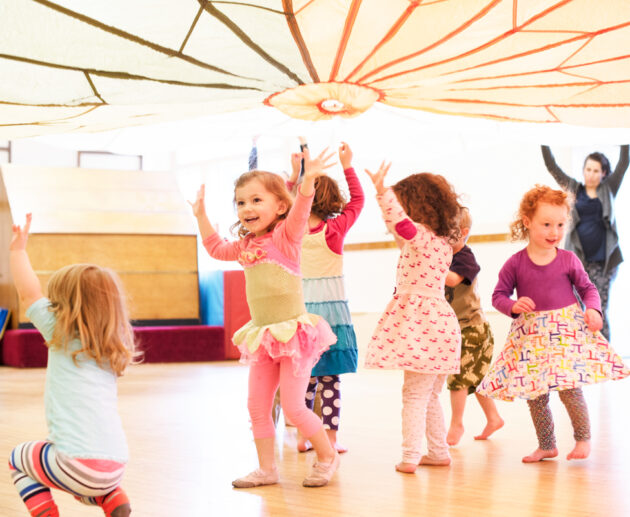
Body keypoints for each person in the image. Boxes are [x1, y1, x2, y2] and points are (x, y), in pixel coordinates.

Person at [190, 148, 341, 488]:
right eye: (241, 203)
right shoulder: (244, 246)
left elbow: (302, 210)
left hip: (295, 336)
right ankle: (266, 470)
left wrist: (307, 181)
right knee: (257, 407)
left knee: (293, 406)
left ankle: (327, 456)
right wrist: (200, 214)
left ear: (280, 206)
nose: (247, 209)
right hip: (264, 337)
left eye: (256, 200)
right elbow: (215, 248)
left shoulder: (287, 238)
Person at [477, 185, 630, 463]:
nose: (554, 232)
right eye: (546, 224)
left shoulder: (568, 259)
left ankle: (583, 439)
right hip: (532, 336)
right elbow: (498, 296)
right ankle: (547, 445)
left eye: (560, 225)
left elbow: (588, 289)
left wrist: (593, 309)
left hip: (565, 333)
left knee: (570, 389)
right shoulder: (515, 263)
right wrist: (512, 306)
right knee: (536, 395)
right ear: (527, 222)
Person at [8, 214, 135, 517]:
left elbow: (28, 293)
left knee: (17, 460)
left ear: (63, 307)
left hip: (76, 465)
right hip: (115, 467)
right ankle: (112, 499)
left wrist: (17, 250)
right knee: (82, 483)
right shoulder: (112, 345)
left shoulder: (60, 331)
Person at [363, 163, 462, 474]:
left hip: (425, 324)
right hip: (441, 324)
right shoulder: (442, 244)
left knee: (415, 395)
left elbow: (402, 225)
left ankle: (410, 456)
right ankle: (438, 451)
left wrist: (382, 193)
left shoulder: (420, 236)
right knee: (430, 395)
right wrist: (386, 203)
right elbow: (399, 230)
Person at [295, 141, 364, 454]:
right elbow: (358, 201)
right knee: (329, 379)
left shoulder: (290, 230)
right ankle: (331, 438)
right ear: (332, 200)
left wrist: (301, 173)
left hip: (300, 312)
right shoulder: (334, 229)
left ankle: (302, 437)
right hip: (332, 315)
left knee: (304, 378)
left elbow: (285, 201)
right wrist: (347, 166)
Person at [541, 144, 629, 340]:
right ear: (583, 170)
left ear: (604, 173)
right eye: (588, 169)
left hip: (603, 264)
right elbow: (552, 167)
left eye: (596, 170)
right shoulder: (574, 189)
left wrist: (625, 126)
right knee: (577, 311)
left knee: (599, 311)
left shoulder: (608, 189)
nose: (590, 174)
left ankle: (606, 360)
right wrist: (544, 139)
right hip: (578, 264)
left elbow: (624, 162)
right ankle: (582, 356)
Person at [444, 207, 503, 446]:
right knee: (476, 378)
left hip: (474, 329)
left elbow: (452, 280)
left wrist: (429, 263)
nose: (441, 238)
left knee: (458, 378)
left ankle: (456, 423)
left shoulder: (464, 258)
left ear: (463, 233)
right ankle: (494, 417)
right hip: (460, 328)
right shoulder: (447, 255)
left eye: (447, 233)